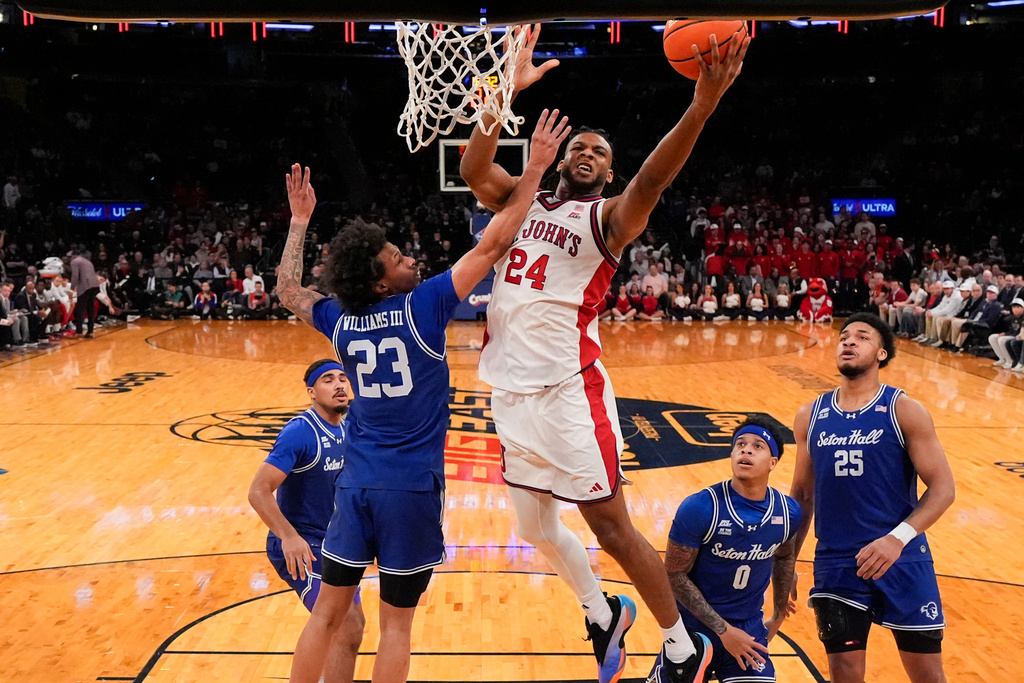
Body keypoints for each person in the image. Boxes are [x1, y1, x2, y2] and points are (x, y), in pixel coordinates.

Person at [459, 23, 749, 683]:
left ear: (608, 171)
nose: (587, 152)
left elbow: (651, 179)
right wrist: (501, 90)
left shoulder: (610, 218)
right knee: (534, 526)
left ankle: (682, 647)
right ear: (562, 158)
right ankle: (602, 609)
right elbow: (474, 167)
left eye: (599, 151)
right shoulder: (520, 197)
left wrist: (700, 106)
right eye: (580, 146)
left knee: (611, 526)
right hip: (509, 390)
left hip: (569, 390)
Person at [279, 110, 569, 683]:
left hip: (355, 486)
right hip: (409, 490)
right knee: (396, 626)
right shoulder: (424, 305)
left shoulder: (339, 320)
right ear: (382, 281)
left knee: (328, 615)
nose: (411, 256)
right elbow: (496, 242)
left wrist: (299, 221)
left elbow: (288, 288)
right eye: (397, 258)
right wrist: (535, 167)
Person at [788, 313, 956, 683]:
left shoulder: (904, 410)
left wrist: (897, 540)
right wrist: (786, 563)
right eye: (844, 336)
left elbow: (944, 488)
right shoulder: (810, 415)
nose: (848, 341)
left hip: (903, 558)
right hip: (836, 563)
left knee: (929, 676)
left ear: (881, 354)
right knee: (845, 676)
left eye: (861, 337)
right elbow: (801, 495)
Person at [654, 417, 802, 683]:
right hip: (692, 630)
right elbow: (674, 575)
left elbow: (785, 556)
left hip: (748, 629)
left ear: (773, 463)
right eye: (740, 444)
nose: (746, 450)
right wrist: (724, 631)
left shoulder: (788, 512)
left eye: (758, 446)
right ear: (732, 454)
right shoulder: (700, 507)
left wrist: (778, 617)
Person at [248, 360, 365, 683]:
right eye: (328, 380)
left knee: (352, 627)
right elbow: (258, 491)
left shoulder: (350, 426)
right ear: (312, 392)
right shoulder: (300, 432)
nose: (340, 385)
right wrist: (288, 536)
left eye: (343, 378)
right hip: (302, 544)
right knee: (335, 621)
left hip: (336, 542)